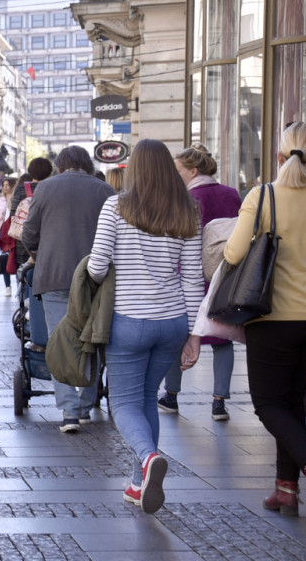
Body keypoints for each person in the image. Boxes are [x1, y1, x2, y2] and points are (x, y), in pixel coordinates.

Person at [87, 139, 203, 515]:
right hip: (171, 321)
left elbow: (97, 265)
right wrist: (194, 334)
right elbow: (192, 279)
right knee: (147, 397)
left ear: (135, 168)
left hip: (129, 320)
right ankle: (139, 484)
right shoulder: (188, 210)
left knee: (121, 402)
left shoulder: (116, 206)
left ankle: (148, 456)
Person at [223, 122, 306, 516]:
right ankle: (286, 490)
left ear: (279, 155)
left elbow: (235, 254)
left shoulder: (264, 196)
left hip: (272, 319)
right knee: (295, 405)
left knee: (269, 404)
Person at [21, 146, 115, 432]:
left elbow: (28, 234)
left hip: (54, 276)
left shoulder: (45, 188)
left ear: (60, 165)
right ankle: (86, 406)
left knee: (58, 342)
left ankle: (69, 412)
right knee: (92, 340)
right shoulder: (104, 191)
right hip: (94, 279)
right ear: (87, 164)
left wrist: (41, 253)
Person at [158, 143, 241, 421]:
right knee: (222, 338)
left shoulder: (184, 199)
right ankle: (219, 403)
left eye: (179, 170)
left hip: (190, 276)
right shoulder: (232, 194)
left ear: (193, 171)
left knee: (177, 337)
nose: (175, 174)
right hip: (226, 276)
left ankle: (171, 396)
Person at [9, 159, 54, 275]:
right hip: (47, 242)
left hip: (23, 241)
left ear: (30, 171)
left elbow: (13, 215)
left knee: (23, 276)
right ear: (49, 171)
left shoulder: (20, 189)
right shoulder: (52, 188)